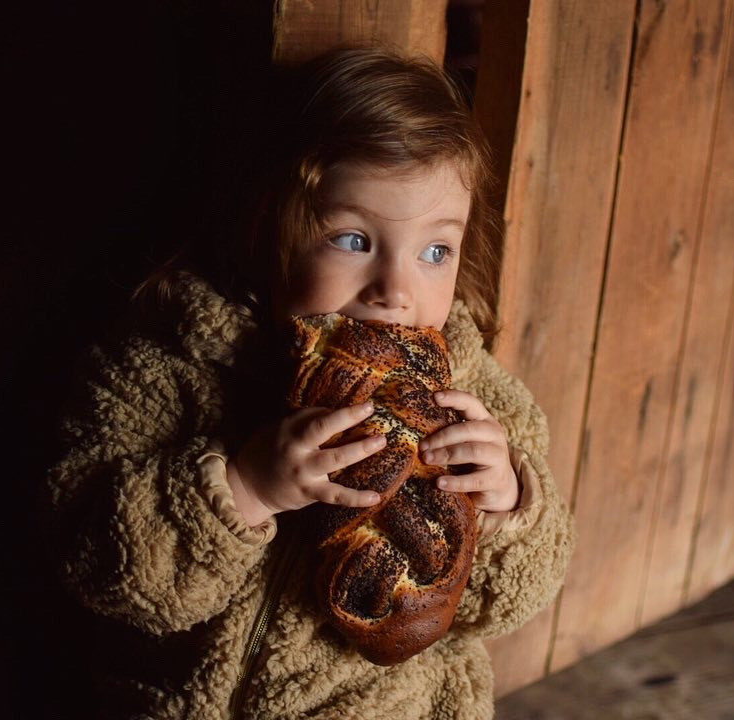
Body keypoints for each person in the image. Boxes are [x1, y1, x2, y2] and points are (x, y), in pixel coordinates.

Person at [46, 46, 575, 720]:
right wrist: (244, 488)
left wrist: (505, 507)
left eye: (435, 251)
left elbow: (515, 596)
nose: (394, 290)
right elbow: (98, 565)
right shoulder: (161, 367)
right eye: (353, 240)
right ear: (267, 228)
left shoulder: (473, 400)